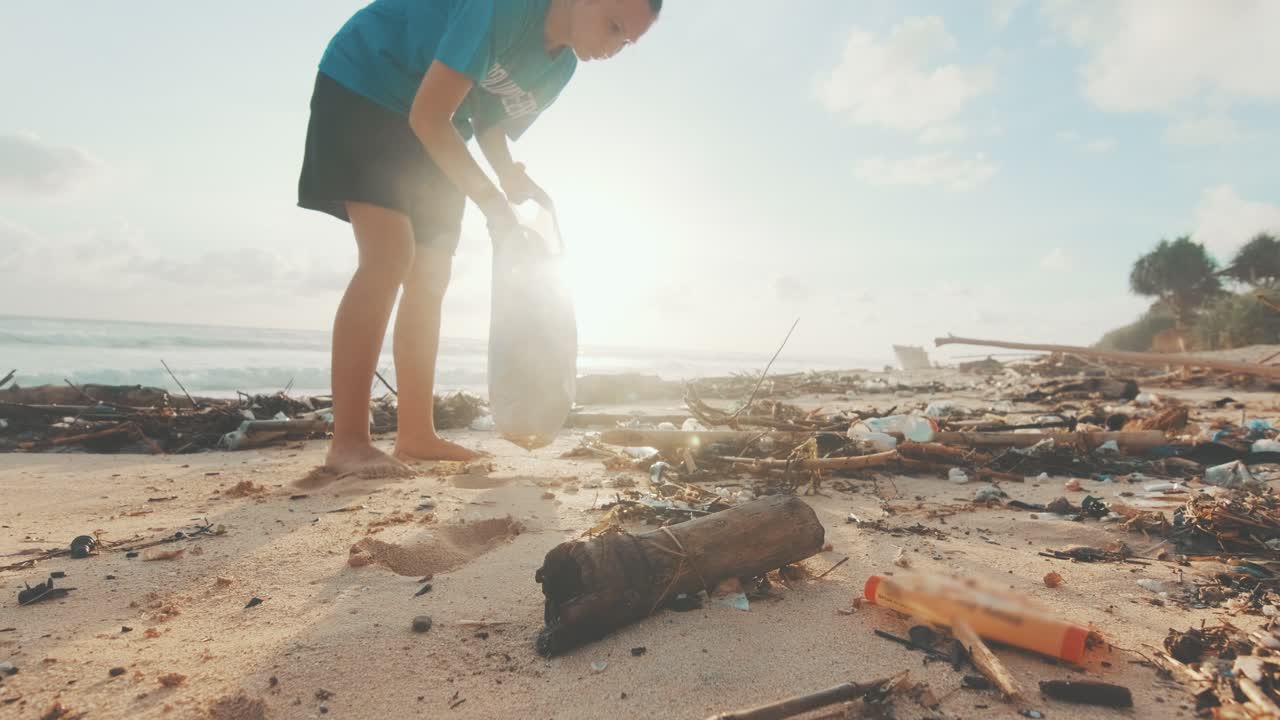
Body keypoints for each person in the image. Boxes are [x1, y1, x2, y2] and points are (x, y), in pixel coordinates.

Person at [298, 0, 662, 478]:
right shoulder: (506, 8)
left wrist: (508, 176)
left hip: (440, 125)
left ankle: (416, 433)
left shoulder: (560, 68)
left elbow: (488, 117)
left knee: (431, 275)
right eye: (613, 26)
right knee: (390, 255)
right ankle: (348, 442)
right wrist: (491, 204)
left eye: (626, 42)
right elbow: (428, 115)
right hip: (370, 83)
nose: (614, 48)